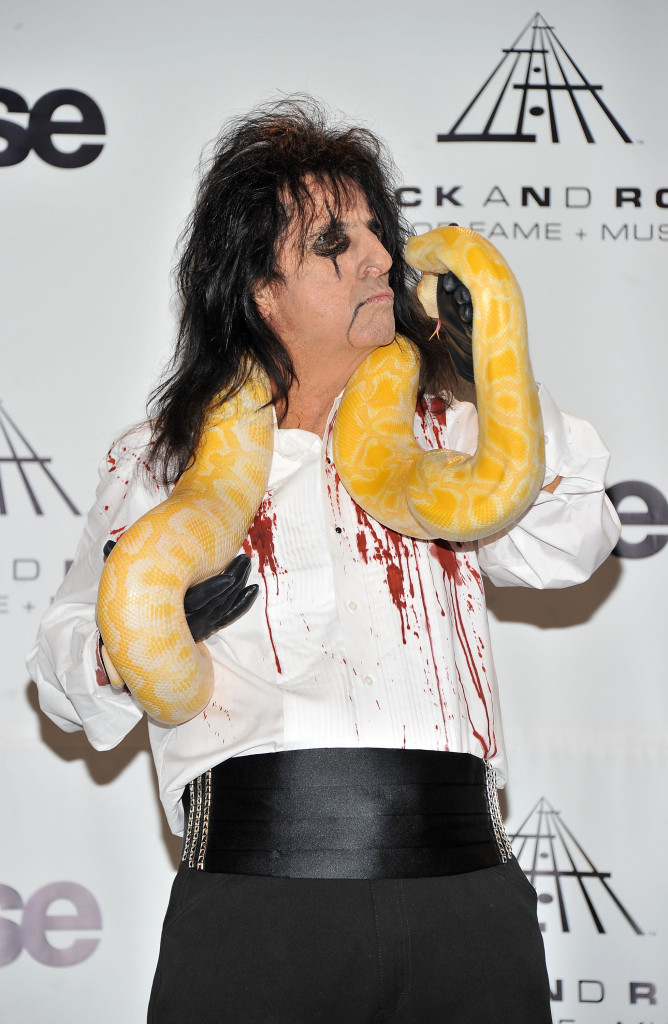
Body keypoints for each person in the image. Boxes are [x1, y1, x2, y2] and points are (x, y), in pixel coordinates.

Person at [28, 98, 620, 1024]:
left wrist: (482, 364)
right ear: (262, 289)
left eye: (378, 231)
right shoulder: (161, 460)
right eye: (334, 244)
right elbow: (63, 678)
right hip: (259, 914)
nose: (383, 255)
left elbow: (575, 541)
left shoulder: (450, 436)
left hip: (465, 901)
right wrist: (142, 629)